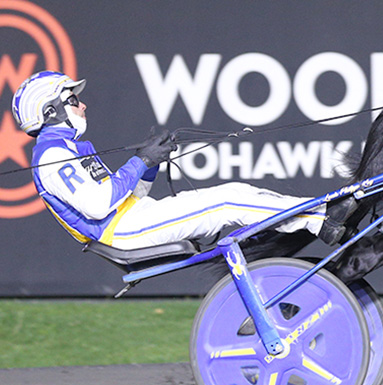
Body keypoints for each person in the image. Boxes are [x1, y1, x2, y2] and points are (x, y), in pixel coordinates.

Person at [13, 70, 324, 250]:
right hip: (124, 232)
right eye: (73, 99)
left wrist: (150, 163)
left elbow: (132, 197)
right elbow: (97, 206)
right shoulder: (53, 155)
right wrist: (141, 161)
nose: (83, 105)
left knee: (235, 193)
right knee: (228, 201)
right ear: (50, 112)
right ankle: (321, 218)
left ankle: (317, 214)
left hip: (134, 219)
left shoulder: (69, 148)